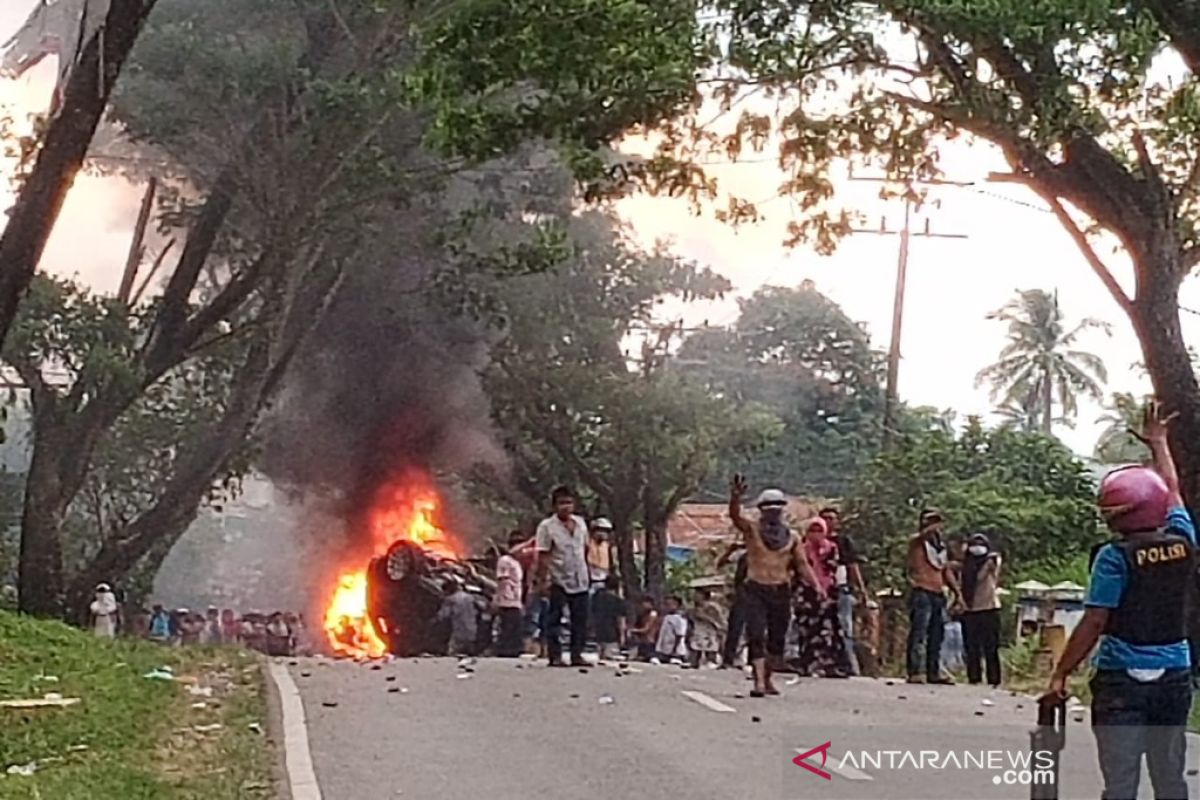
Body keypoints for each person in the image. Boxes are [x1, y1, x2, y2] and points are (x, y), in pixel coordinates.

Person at [1044, 401, 1195, 800]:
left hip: (1120, 682)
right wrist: (1159, 443)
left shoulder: (1115, 556)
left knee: (1121, 783)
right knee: (1170, 779)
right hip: (1175, 675)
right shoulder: (1184, 541)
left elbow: (1095, 621)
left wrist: (1060, 674)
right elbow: (1173, 489)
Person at [728, 475, 824, 697]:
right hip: (755, 588)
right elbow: (735, 516)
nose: (773, 513)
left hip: (780, 590)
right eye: (768, 509)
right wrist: (735, 498)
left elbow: (802, 564)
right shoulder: (752, 530)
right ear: (761, 510)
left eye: (776, 509)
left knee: (777, 638)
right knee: (756, 635)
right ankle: (759, 682)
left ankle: (768, 678)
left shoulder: (792, 537)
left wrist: (817, 586)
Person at [534, 485, 591, 667]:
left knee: (580, 619)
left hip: (580, 577)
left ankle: (577, 654)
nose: (565, 507)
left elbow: (585, 547)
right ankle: (555, 656)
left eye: (569, 503)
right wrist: (544, 580)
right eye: (561, 503)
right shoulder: (547, 527)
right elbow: (543, 554)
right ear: (554, 506)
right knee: (554, 619)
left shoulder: (581, 523)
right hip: (558, 578)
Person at [905, 509, 959, 685]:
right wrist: (930, 525)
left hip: (938, 592)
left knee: (937, 635)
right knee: (919, 633)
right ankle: (915, 671)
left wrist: (958, 593)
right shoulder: (917, 543)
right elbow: (920, 537)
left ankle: (933, 671)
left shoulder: (940, 547)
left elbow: (945, 570)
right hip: (922, 590)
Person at [792, 517, 848, 678]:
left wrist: (826, 588)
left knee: (830, 630)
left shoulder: (831, 548)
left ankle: (830, 665)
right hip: (806, 594)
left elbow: (832, 569)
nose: (816, 534)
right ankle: (807, 663)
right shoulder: (801, 549)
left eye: (819, 530)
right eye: (812, 530)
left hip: (828, 592)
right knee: (808, 630)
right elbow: (798, 570)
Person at [820, 506, 870, 675]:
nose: (828, 522)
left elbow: (852, 566)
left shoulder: (843, 542)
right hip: (819, 589)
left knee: (844, 627)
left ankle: (848, 664)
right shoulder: (813, 542)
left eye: (831, 518)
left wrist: (861, 591)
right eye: (824, 518)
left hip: (841, 588)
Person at [958, 533, 1002, 686]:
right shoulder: (965, 566)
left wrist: (987, 563)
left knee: (991, 647)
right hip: (970, 610)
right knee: (971, 647)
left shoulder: (992, 562)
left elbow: (982, 577)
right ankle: (974, 678)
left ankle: (994, 679)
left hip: (989, 608)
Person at [494, 532, 526, 657]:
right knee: (509, 624)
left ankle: (513, 649)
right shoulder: (505, 561)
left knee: (515, 625)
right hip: (507, 600)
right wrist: (504, 598)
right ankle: (505, 650)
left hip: (515, 599)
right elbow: (503, 580)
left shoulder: (516, 562)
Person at [717, 541, 748, 668]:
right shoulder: (742, 554)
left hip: (759, 591)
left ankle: (754, 660)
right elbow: (721, 564)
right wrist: (730, 551)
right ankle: (728, 659)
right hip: (743, 593)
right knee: (735, 626)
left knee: (757, 629)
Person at [436, 581, 483, 657]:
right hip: (473, 630)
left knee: (452, 653)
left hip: (458, 632)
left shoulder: (450, 600)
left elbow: (443, 615)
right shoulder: (471, 598)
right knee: (471, 653)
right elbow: (483, 608)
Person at [591, 575, 627, 661]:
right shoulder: (618, 601)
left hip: (598, 631)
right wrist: (622, 635)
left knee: (600, 656)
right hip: (612, 634)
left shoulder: (596, 597)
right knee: (609, 658)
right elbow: (620, 620)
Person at [688, 588, 726, 668]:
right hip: (698, 628)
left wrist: (706, 618)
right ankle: (694, 661)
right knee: (696, 645)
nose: (695, 596)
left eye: (697, 594)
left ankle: (711, 660)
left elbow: (717, 618)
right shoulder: (695, 606)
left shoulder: (712, 606)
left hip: (710, 629)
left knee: (710, 645)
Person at [655, 595, 689, 663]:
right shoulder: (667, 617)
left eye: (670, 605)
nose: (667, 607)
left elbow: (679, 635)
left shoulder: (679, 618)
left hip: (675, 651)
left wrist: (674, 650)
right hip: (665, 649)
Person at [586, 518, 614, 591]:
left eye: (606, 531)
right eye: (599, 530)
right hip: (589, 580)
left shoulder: (607, 546)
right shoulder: (587, 544)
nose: (602, 533)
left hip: (604, 580)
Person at [629, 596, 660, 661]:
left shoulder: (653, 614)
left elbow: (646, 629)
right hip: (642, 642)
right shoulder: (643, 615)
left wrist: (633, 630)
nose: (643, 606)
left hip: (649, 642)